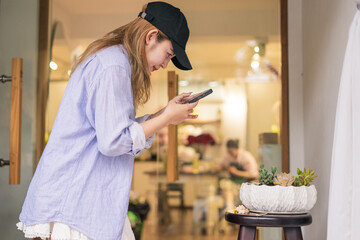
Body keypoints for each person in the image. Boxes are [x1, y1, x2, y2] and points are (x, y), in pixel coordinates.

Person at [17, 2, 197, 240]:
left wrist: (164, 114)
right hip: (73, 203)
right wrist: (165, 117)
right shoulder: (114, 66)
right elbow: (113, 142)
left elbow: (114, 131)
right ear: (151, 36)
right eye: (168, 54)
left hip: (82, 201)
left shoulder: (114, 60)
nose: (165, 64)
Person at [216, 139, 258, 208]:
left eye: (231, 152)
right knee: (224, 184)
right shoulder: (228, 157)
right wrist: (225, 167)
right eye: (228, 152)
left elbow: (253, 174)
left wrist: (236, 172)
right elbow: (217, 167)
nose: (229, 153)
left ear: (236, 149)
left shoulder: (246, 157)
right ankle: (229, 207)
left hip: (246, 183)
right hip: (234, 182)